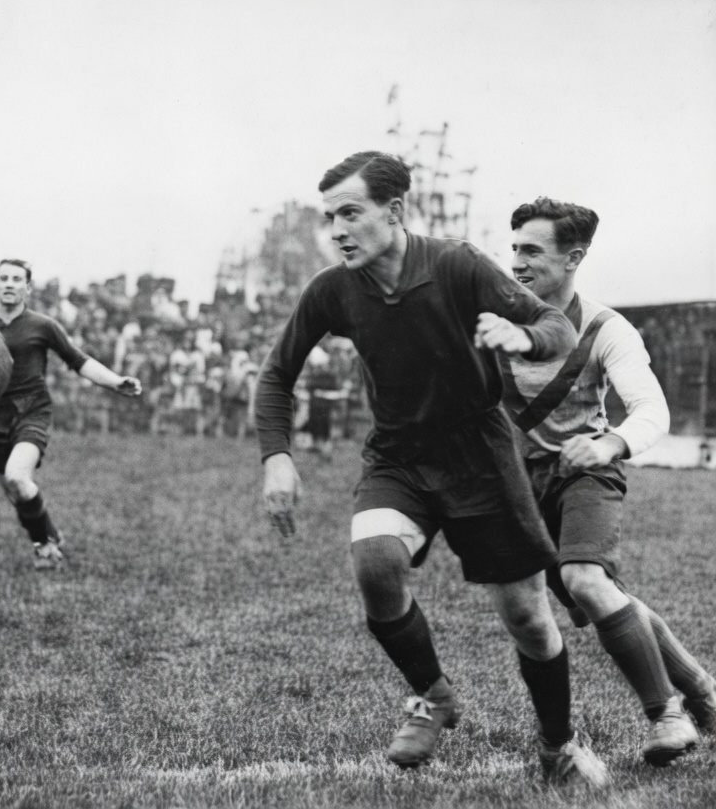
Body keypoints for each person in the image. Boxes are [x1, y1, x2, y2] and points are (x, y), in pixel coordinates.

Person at [255, 151, 609, 787]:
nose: (336, 230)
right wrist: (277, 456)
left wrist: (524, 338)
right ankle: (433, 695)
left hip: (479, 454)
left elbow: (554, 324)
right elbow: (278, 374)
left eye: (350, 213)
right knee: (374, 560)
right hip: (398, 455)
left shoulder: (456, 263)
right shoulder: (333, 289)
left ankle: (559, 744)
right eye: (329, 217)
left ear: (393, 212)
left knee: (528, 617)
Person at [501, 197, 716, 765]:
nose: (518, 262)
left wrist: (607, 444)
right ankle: (702, 689)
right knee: (595, 597)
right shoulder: (492, 323)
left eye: (533, 251)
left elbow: (651, 411)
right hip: (517, 489)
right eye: (514, 248)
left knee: (586, 580)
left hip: (586, 474)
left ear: (574, 257)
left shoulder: (605, 327)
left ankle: (667, 715)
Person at [0, 258, 142, 569]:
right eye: (4, 278)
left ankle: (44, 547)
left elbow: (77, 359)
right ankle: (50, 534)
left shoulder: (41, 325)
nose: (10, 284)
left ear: (27, 288)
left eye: (17, 279)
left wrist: (115, 382)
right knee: (16, 492)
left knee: (18, 477)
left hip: (32, 410)